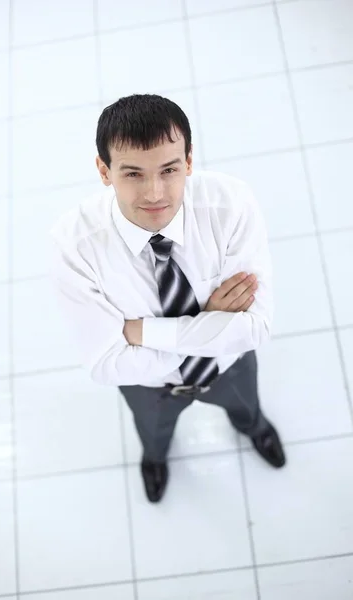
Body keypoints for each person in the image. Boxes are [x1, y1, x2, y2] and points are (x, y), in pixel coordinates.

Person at [50, 93, 286, 504]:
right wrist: (211, 320)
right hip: (149, 387)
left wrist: (141, 332)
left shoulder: (230, 205)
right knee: (153, 434)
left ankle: (255, 428)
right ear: (104, 171)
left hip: (229, 367)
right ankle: (156, 460)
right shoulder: (74, 246)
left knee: (248, 408)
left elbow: (255, 327)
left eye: (169, 169)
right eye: (133, 174)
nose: (155, 192)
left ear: (189, 162)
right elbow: (106, 364)